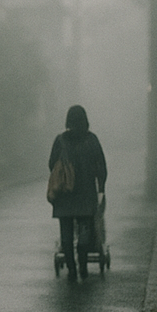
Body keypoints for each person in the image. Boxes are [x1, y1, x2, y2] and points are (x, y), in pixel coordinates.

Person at [48, 104, 107, 279]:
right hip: (86, 196)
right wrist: (101, 188)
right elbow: (101, 167)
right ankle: (83, 267)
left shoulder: (60, 141)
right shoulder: (92, 140)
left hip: (64, 196)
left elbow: (52, 164)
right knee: (84, 232)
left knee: (65, 234)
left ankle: (71, 270)